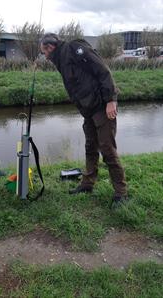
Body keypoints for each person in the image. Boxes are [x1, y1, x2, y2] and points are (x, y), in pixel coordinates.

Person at [40, 33, 127, 206]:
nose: (45, 56)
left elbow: (102, 70)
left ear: (50, 47)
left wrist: (111, 100)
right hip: (88, 110)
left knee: (107, 149)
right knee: (90, 146)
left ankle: (121, 193)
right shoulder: (60, 60)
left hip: (102, 106)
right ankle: (88, 183)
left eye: (44, 52)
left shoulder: (73, 47)